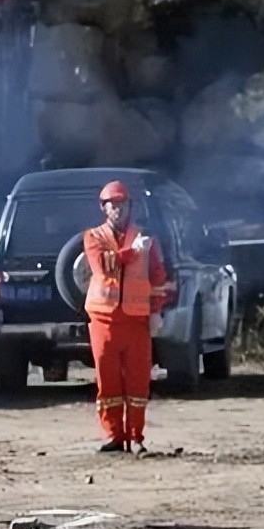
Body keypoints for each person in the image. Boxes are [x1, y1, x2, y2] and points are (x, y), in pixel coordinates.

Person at [83, 180, 169, 456]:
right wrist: (134, 252)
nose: (118, 209)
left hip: (136, 322)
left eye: (122, 204)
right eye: (113, 205)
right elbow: (104, 265)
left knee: (138, 382)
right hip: (104, 321)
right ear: (103, 208)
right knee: (107, 383)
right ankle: (113, 436)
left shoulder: (147, 241)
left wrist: (156, 310)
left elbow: (159, 279)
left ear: (130, 206)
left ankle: (136, 437)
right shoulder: (93, 237)